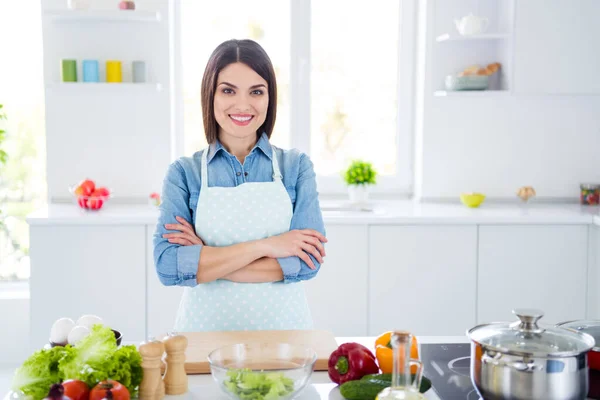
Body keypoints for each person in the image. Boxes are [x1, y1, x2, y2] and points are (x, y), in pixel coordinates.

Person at [153, 39, 327, 332]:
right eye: (228, 90)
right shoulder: (185, 173)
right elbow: (169, 266)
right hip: (203, 341)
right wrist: (269, 246)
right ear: (211, 94)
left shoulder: (296, 167)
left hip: (285, 342)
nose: (243, 105)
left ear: (269, 98)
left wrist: (206, 258)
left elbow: (308, 262)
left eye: (256, 91)